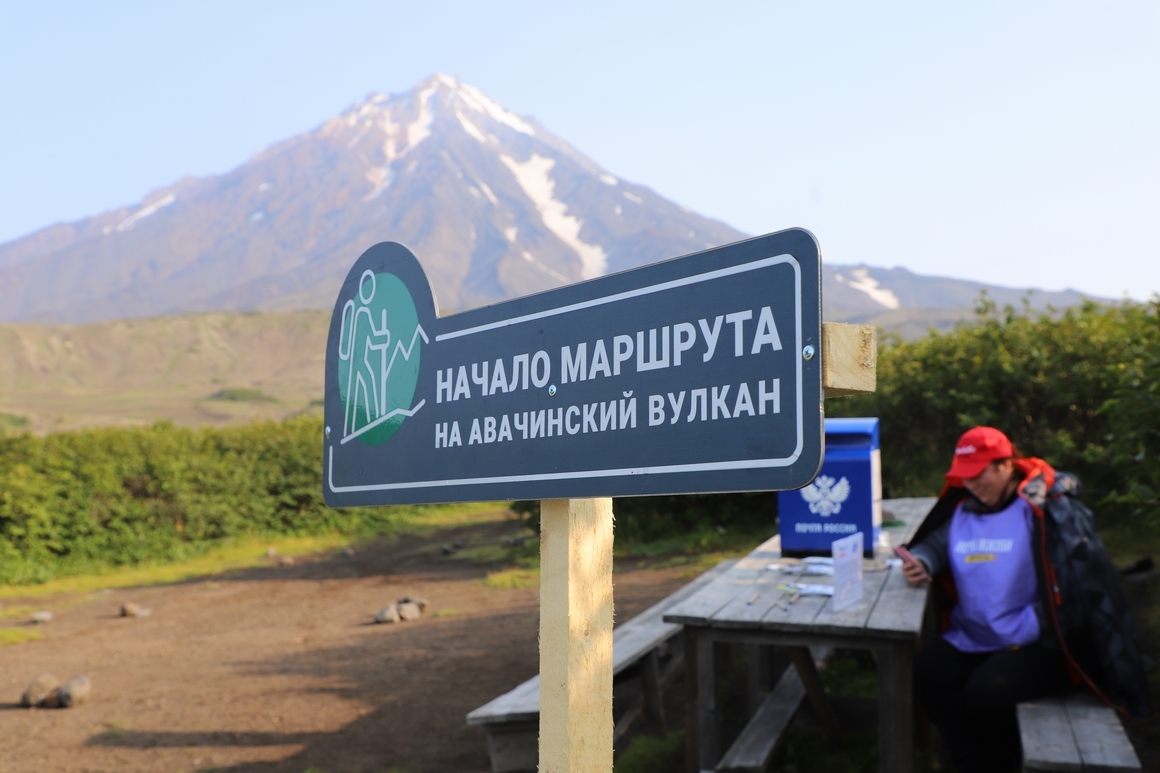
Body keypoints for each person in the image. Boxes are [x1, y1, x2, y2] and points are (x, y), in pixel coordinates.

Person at [903, 426, 1149, 772]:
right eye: (964, 477)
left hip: (1038, 642)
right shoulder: (963, 509)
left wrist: (1034, 622)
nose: (971, 484)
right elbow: (934, 545)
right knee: (926, 672)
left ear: (1006, 465)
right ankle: (969, 759)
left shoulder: (1041, 510)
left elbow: (1077, 587)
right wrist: (922, 562)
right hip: (973, 635)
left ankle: (1004, 761)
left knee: (986, 694)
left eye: (978, 475)